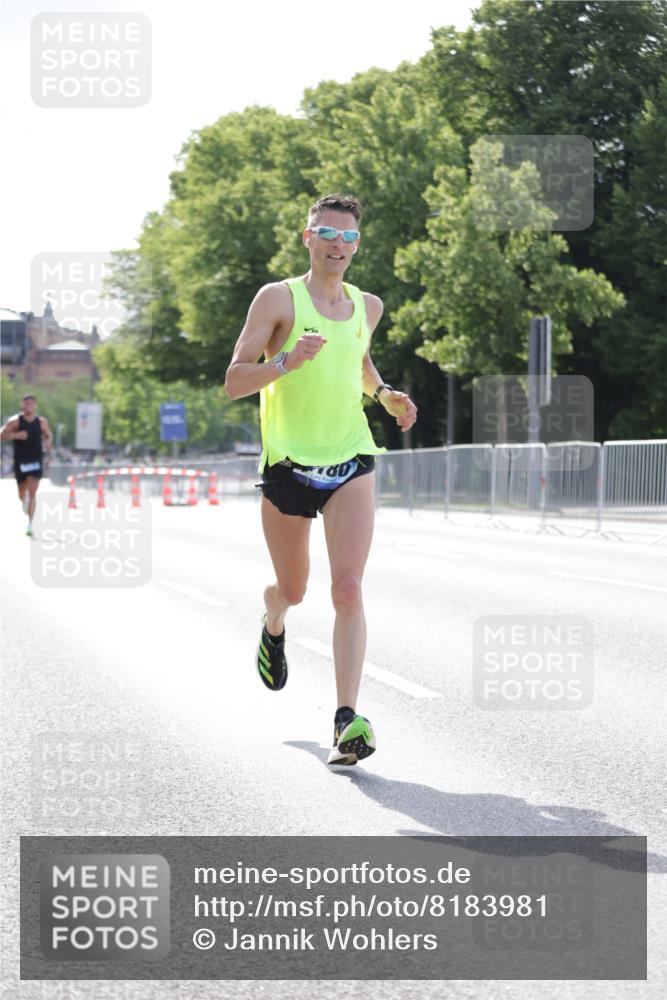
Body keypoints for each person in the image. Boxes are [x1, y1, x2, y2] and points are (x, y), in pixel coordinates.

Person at [225, 193, 417, 765]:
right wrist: (284, 363)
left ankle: (344, 719)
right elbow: (236, 380)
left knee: (349, 588)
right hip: (288, 466)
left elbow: (356, 361)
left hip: (351, 458)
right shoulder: (278, 298)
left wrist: (382, 394)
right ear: (307, 237)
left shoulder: (368, 306)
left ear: (359, 243)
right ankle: (274, 618)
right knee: (295, 589)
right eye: (328, 234)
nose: (339, 245)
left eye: (349, 237)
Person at [0, 394, 52, 536]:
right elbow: (1, 435)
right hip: (20, 461)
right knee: (22, 493)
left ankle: (30, 524)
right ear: (22, 405)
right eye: (26, 403)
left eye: (31, 403)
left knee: (33, 490)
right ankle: (25, 501)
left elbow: (48, 435)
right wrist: (16, 435)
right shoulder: (15, 422)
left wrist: (48, 443)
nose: (29, 405)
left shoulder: (41, 422)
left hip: (36, 460)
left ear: (35, 405)